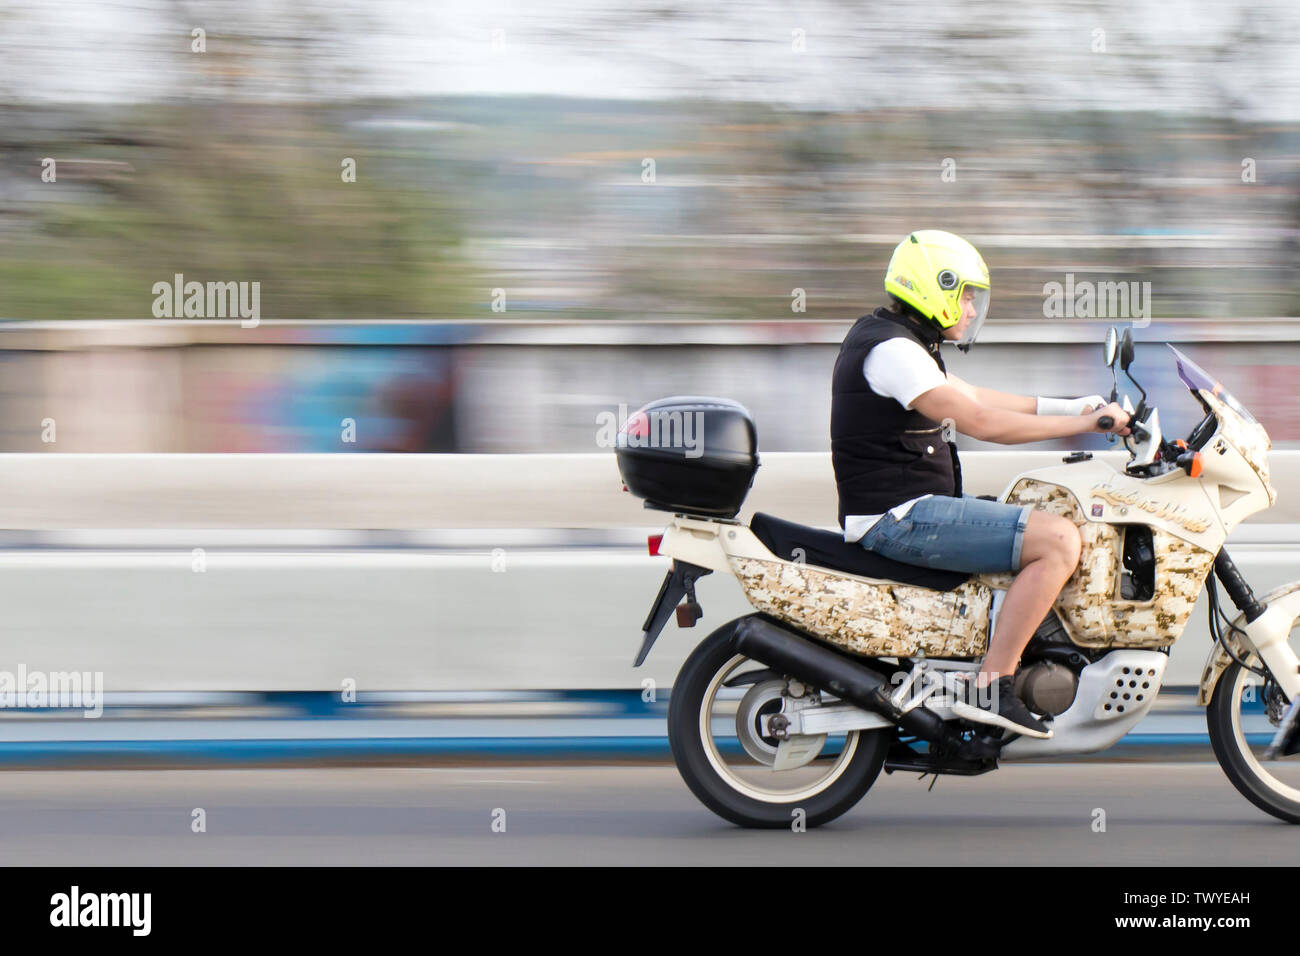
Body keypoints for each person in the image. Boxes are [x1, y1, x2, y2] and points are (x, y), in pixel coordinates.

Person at [830, 230, 1131, 739]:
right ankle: (994, 685)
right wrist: (1090, 425)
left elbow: (978, 395)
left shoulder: (901, 342)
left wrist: (1077, 406)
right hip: (899, 518)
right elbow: (984, 422)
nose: (971, 309)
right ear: (935, 287)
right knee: (1058, 541)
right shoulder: (891, 352)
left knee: (1034, 514)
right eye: (965, 295)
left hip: (911, 509)